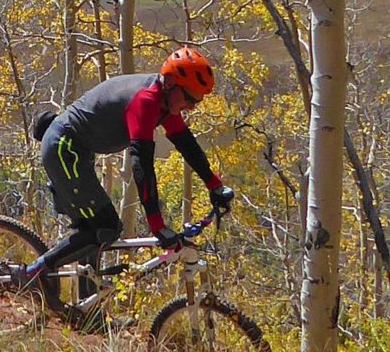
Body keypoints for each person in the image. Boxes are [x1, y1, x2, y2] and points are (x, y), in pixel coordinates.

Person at [16, 46, 235, 288]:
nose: (192, 106)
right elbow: (141, 165)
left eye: (198, 100)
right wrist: (157, 225)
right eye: (190, 98)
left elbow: (187, 146)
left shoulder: (164, 101)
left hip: (77, 151)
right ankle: (28, 274)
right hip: (63, 148)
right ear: (171, 83)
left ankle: (88, 312)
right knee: (106, 227)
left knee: (96, 233)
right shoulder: (146, 100)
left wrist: (215, 186)